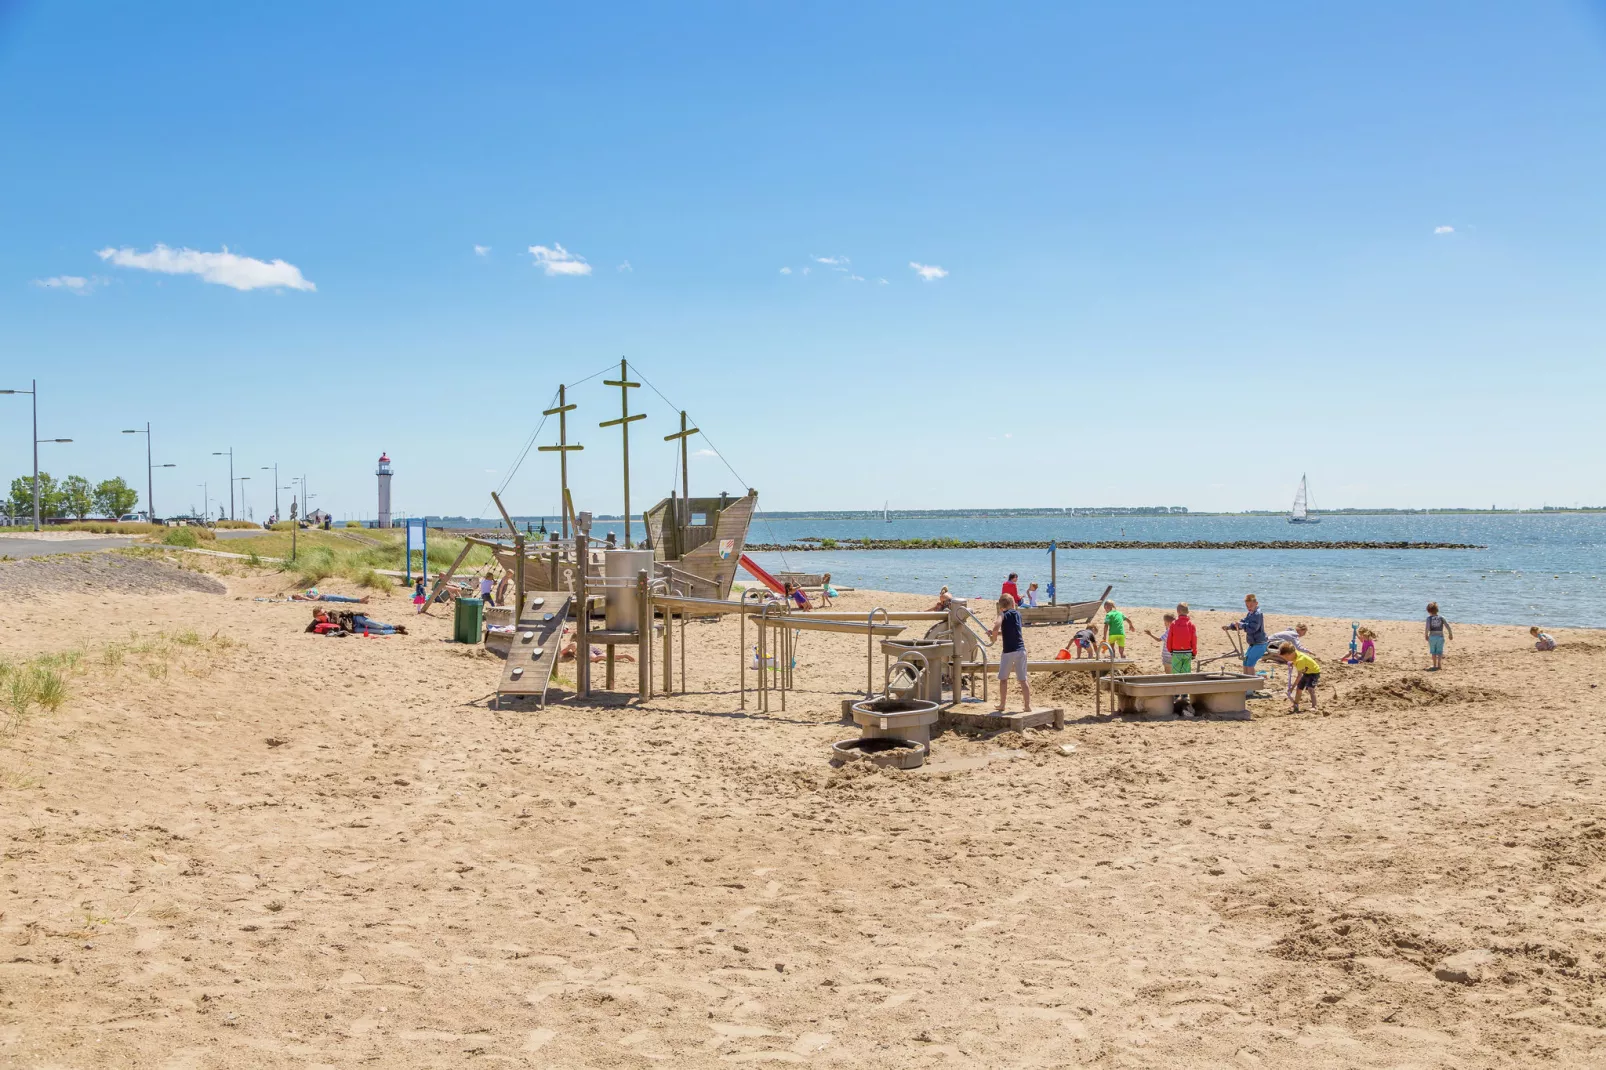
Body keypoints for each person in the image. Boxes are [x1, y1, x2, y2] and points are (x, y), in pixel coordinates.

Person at [988, 593, 1031, 713]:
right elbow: (1012, 631)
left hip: (1008, 652)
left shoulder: (1002, 614)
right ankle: (1027, 706)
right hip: (1020, 650)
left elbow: (997, 626)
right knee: (1023, 679)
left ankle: (1002, 704)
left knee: (1003, 679)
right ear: (1013, 604)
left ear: (1001, 606)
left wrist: (993, 637)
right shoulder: (1017, 614)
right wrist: (995, 633)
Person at [1224, 593, 1269, 672]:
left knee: (1250, 664)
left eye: (1251, 606)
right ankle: (1246, 680)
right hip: (1253, 643)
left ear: (1256, 603)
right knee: (1245, 661)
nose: (1249, 608)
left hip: (1260, 644)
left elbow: (1253, 628)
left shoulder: (1257, 614)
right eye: (1247, 606)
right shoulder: (1250, 613)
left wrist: (1241, 625)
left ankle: (1252, 682)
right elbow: (1243, 622)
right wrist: (1230, 627)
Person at [1275, 640, 1321, 712]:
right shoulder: (1294, 653)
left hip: (1314, 672)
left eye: (1286, 657)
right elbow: (1294, 659)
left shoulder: (1300, 660)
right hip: (1306, 671)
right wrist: (1292, 662)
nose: (1285, 659)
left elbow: (1299, 676)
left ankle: (1314, 706)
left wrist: (1292, 687)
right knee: (1299, 689)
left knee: (1310, 689)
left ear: (1290, 654)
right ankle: (1295, 704)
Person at [1168, 604, 1198, 674]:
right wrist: (1194, 652)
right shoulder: (1191, 624)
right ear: (1188, 612)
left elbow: (1170, 638)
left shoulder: (1173, 624)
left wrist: (1170, 650)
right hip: (1188, 651)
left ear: (1177, 612)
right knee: (1186, 671)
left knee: (1176, 671)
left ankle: (1176, 684)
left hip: (1176, 651)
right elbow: (1194, 640)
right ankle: (1185, 683)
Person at [1425, 602, 1452, 670]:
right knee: (1439, 651)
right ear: (1437, 610)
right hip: (1440, 637)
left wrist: (1426, 635)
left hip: (1432, 637)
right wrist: (1450, 633)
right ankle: (1439, 664)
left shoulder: (1429, 618)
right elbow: (1447, 626)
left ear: (1428, 611)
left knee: (1433, 652)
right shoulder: (1441, 618)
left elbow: (1427, 628)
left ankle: (1434, 665)